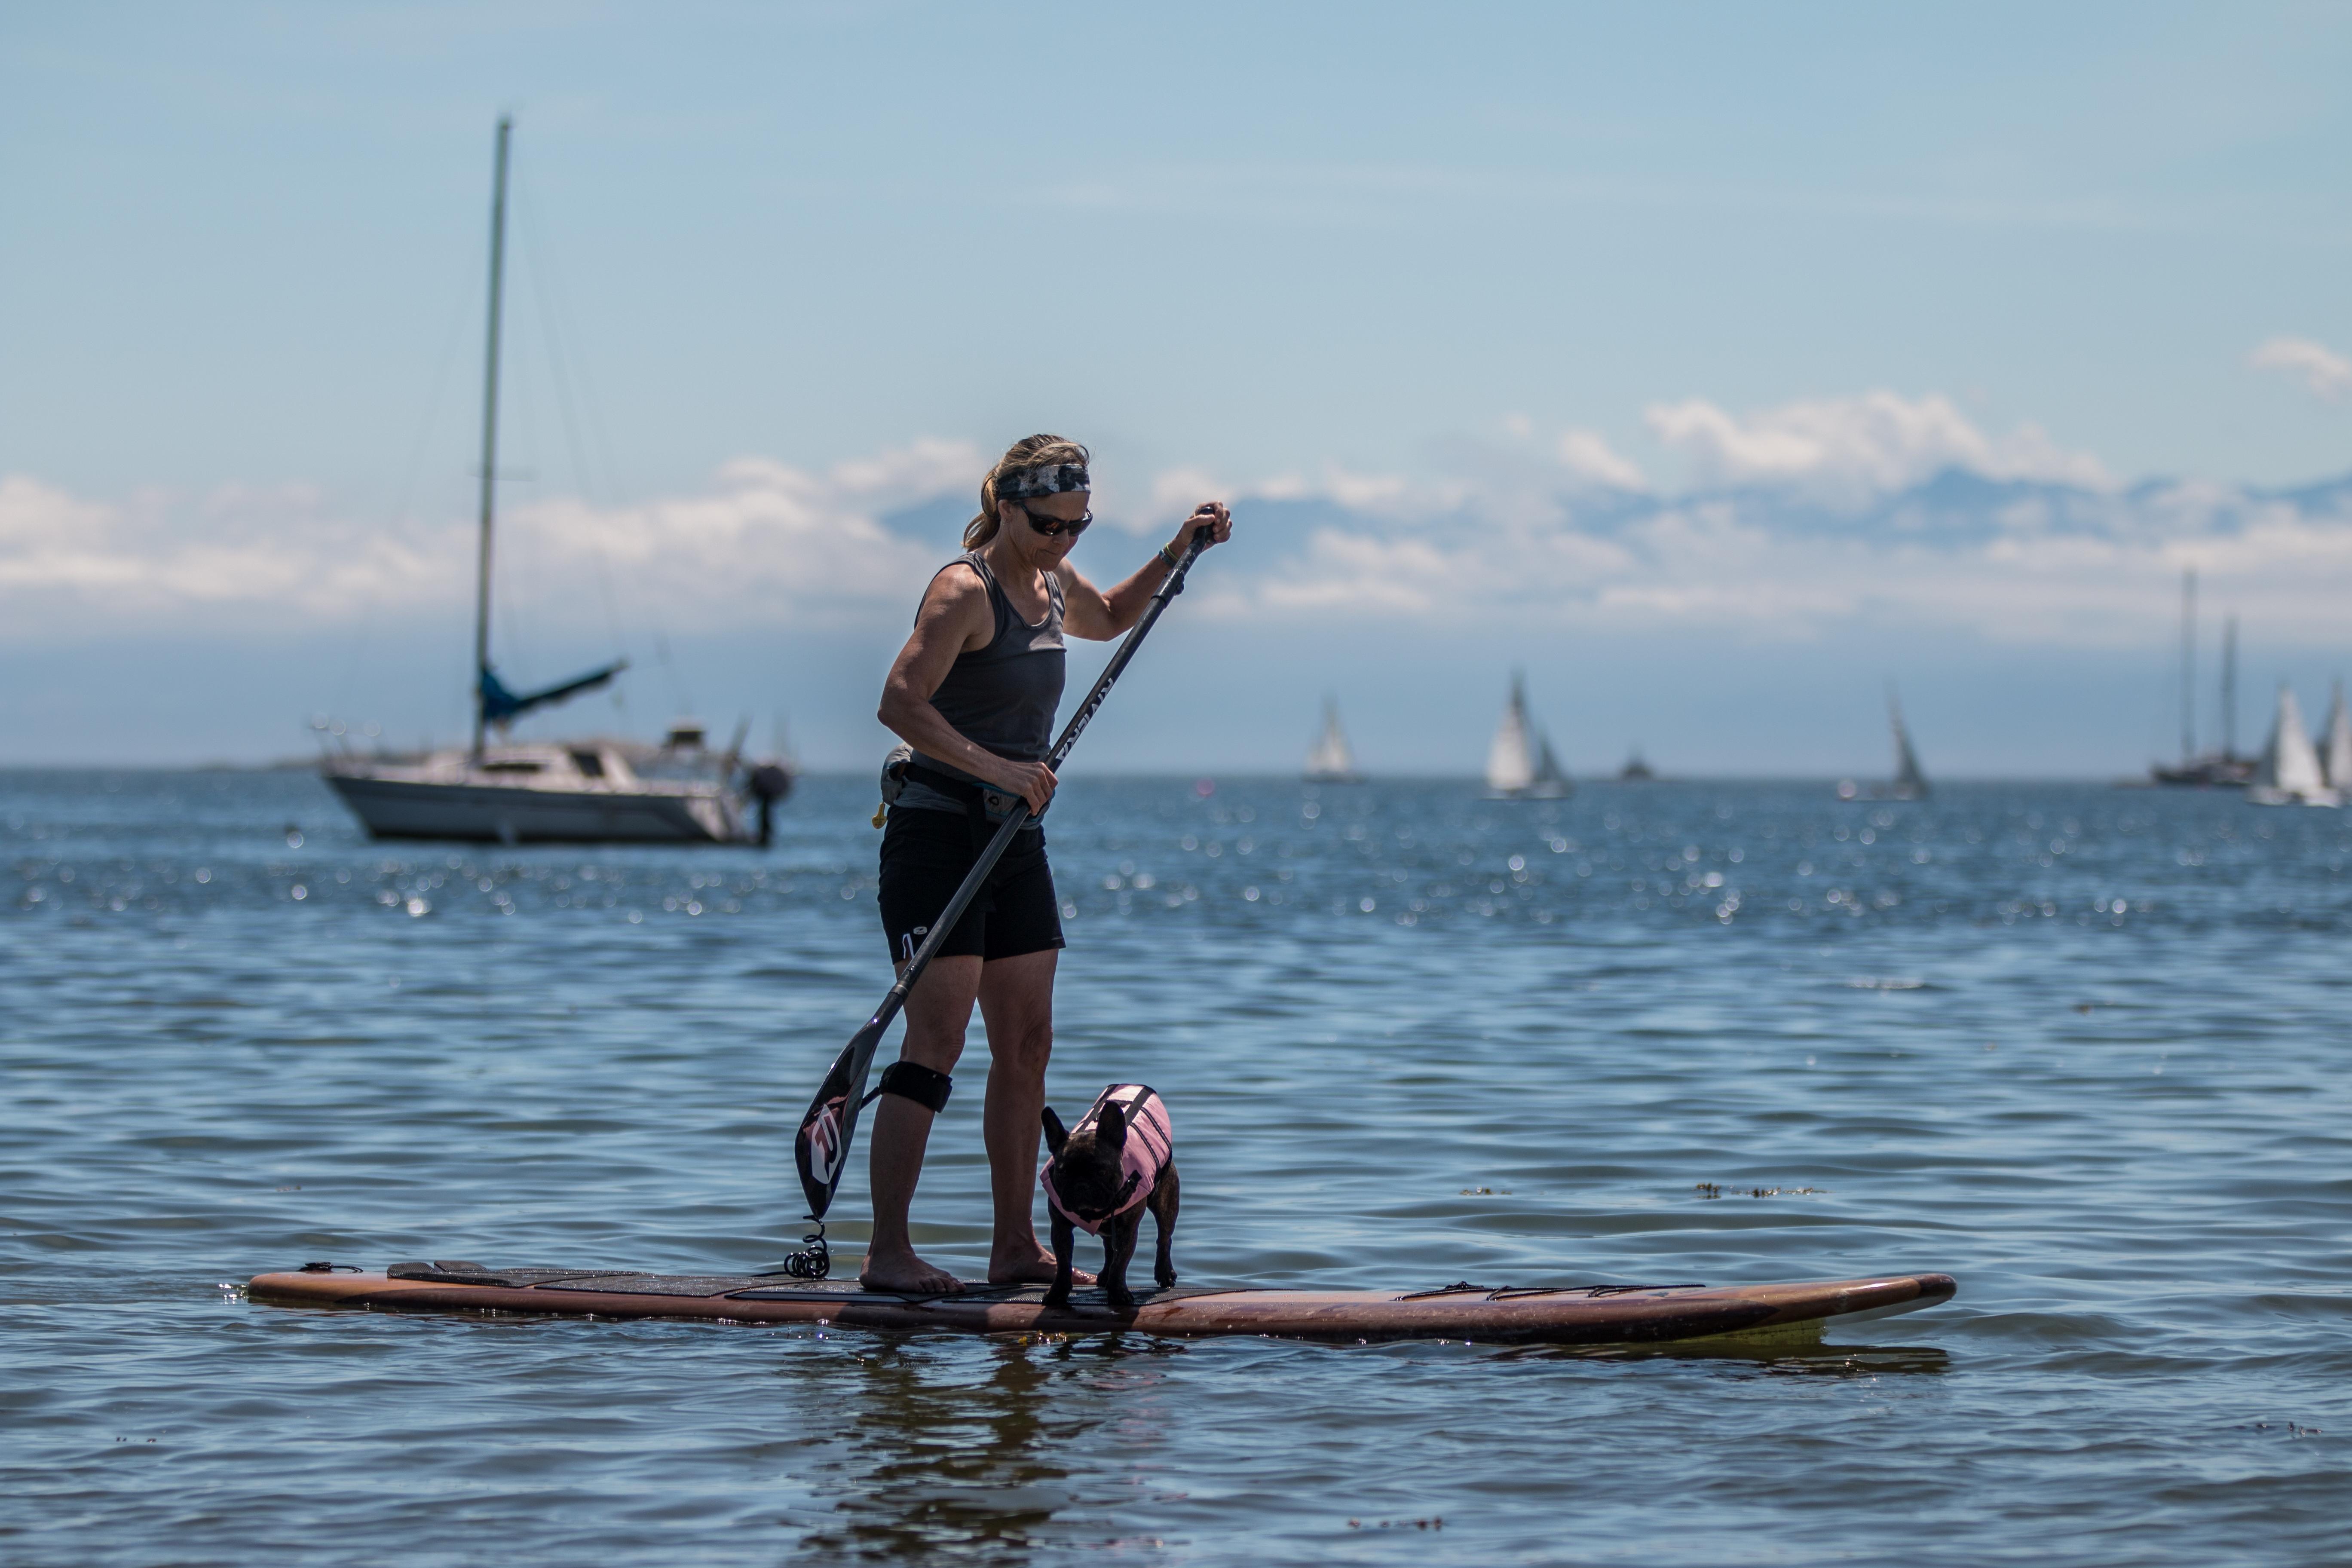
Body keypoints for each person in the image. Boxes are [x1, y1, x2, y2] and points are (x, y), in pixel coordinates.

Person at [863, 434, 1231, 1293]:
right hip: (939, 837)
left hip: (1015, 841)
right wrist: (998, 768)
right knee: (937, 1041)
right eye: (1049, 524)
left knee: (1026, 1045)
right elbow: (897, 703)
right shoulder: (966, 590)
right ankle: (887, 1253)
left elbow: (1109, 618)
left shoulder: (1055, 584)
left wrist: (1179, 550)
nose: (1065, 540)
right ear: (1006, 506)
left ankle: (1013, 1246)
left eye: (1078, 525)